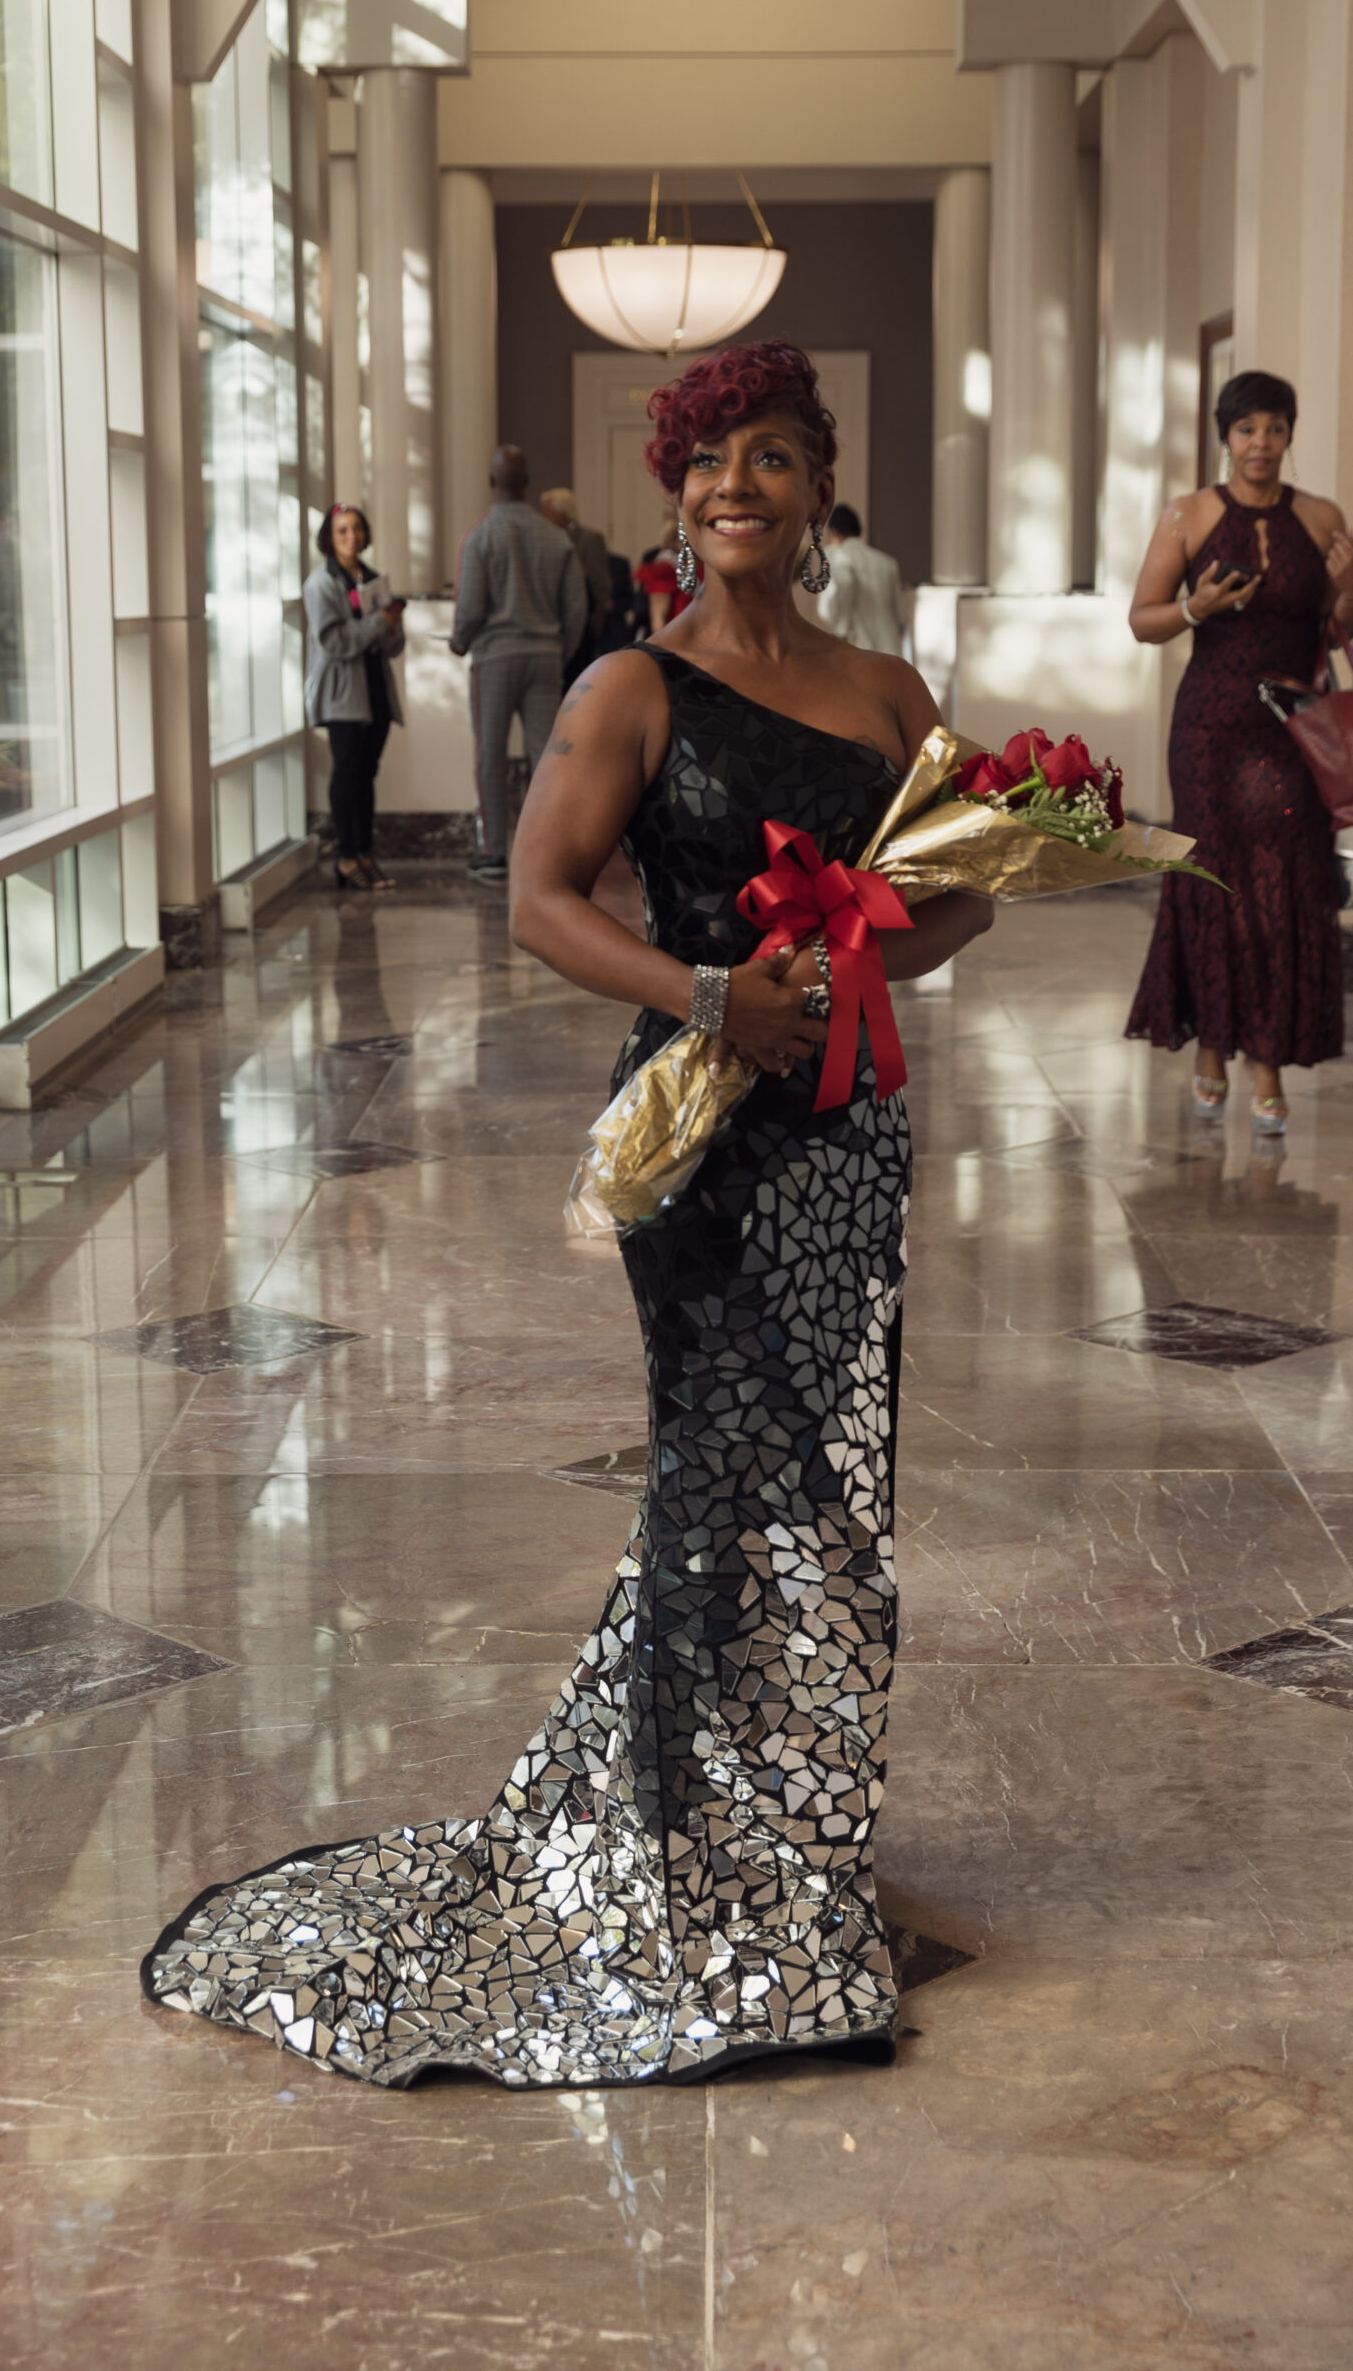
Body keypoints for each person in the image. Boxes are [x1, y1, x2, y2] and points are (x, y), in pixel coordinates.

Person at [142, 338, 994, 2088]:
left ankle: (784, 1836)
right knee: (717, 1469)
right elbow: (537, 901)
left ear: (821, 484)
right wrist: (708, 995)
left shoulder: (893, 691)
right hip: (703, 1128)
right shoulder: (631, 686)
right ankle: (678, 1852)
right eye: (706, 460)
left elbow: (959, 895)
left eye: (769, 456)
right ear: (670, 490)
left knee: (831, 1489)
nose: (733, 485)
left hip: (848, 1132)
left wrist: (861, 946)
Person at [1126, 369, 1353, 1129]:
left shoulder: (1322, 516)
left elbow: (1341, 630)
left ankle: (1265, 1058)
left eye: (1273, 428)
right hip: (1208, 726)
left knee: (1283, 884)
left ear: (1289, 434)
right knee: (1212, 878)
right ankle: (1210, 1047)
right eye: (1245, 429)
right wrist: (1193, 607)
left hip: (1292, 729)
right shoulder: (1188, 516)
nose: (1259, 443)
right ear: (1224, 437)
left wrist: (1352, 589)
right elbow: (1142, 619)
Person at [450, 445, 586, 885]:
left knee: (489, 755)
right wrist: (559, 651)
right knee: (546, 757)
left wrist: (458, 642)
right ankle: (548, 854)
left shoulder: (480, 537)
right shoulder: (556, 537)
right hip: (545, 657)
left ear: (492, 483)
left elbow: (469, 610)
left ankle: (493, 855)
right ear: (527, 483)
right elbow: (577, 610)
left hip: (494, 659)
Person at [302, 503, 405, 892]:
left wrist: (392, 624)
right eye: (342, 530)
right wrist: (380, 622)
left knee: (366, 774)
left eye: (357, 529)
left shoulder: (375, 579)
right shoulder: (320, 584)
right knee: (346, 774)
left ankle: (365, 852)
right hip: (343, 694)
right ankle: (346, 856)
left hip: (375, 690)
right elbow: (335, 642)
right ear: (329, 537)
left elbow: (394, 645)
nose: (351, 537)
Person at [818, 502, 913, 660]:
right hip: (890, 652)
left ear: (834, 532)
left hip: (857, 650)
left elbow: (831, 604)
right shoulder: (887, 563)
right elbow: (901, 616)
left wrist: (841, 629)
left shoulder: (836, 556)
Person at [540, 486, 612, 688]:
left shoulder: (590, 539)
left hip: (583, 630)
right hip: (554, 632)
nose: (542, 516)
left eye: (546, 511)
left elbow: (601, 586)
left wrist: (592, 627)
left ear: (562, 512)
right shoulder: (544, 541)